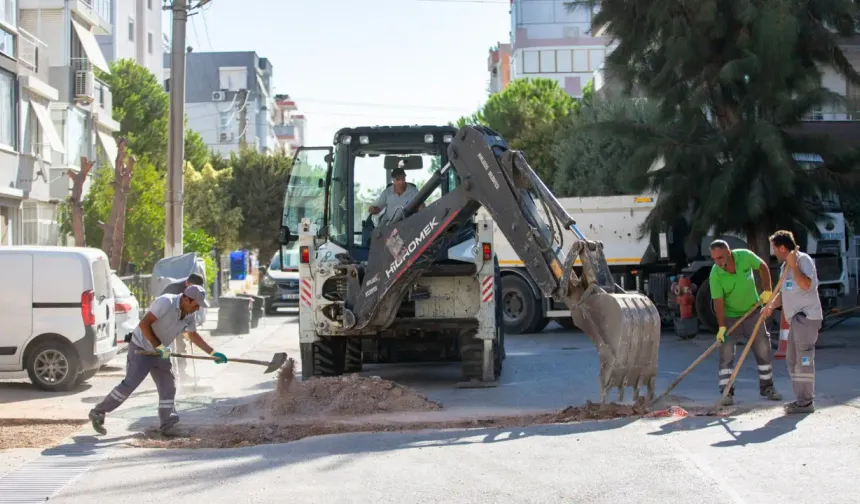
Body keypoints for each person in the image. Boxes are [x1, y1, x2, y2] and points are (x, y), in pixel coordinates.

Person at [88, 285, 228, 435]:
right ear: (186, 299)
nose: (197, 309)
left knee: (169, 386)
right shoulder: (165, 302)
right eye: (196, 305)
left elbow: (193, 336)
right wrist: (159, 347)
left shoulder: (189, 314)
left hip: (161, 352)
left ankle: (168, 423)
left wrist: (212, 352)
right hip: (141, 348)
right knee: (129, 385)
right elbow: (144, 324)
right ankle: (98, 412)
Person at [709, 239, 782, 406]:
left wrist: (768, 290)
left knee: (763, 347)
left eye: (720, 257)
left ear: (729, 253)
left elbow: (762, 266)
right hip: (730, 317)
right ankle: (727, 392)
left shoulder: (744, 256)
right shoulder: (715, 274)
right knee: (726, 353)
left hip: (752, 312)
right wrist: (721, 327)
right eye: (714, 259)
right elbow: (718, 302)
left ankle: (767, 387)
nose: (717, 262)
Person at [763, 230, 822, 414]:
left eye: (774, 248)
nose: (773, 252)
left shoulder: (802, 261)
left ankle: (806, 402)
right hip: (795, 321)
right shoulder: (784, 267)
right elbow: (784, 292)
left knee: (804, 361)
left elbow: (806, 285)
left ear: (782, 247)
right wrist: (771, 306)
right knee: (792, 361)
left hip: (806, 318)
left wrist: (794, 266)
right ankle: (801, 400)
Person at [159, 273, 206, 380]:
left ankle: (181, 373)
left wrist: (188, 327)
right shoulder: (174, 290)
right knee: (169, 349)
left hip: (180, 320)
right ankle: (170, 375)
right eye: (193, 287)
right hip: (165, 322)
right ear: (187, 283)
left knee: (180, 347)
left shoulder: (195, 291)